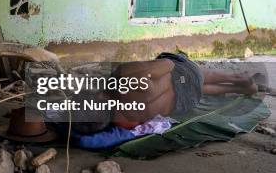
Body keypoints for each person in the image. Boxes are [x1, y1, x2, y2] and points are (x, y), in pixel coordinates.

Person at [108, 52, 258, 127]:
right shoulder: (125, 77)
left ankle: (241, 89)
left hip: (185, 102)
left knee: (197, 89)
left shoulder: (123, 118)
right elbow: (168, 64)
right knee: (193, 76)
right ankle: (238, 78)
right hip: (184, 78)